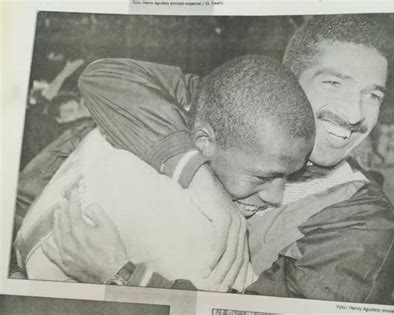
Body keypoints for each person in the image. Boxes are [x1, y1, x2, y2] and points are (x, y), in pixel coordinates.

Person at [16, 15, 394, 304]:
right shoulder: (232, 104)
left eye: (374, 95)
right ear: (287, 79)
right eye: (333, 82)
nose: (355, 114)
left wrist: (122, 277)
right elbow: (106, 76)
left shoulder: (361, 219)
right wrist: (203, 182)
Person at [14, 55, 315, 292]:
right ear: (203, 143)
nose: (277, 196)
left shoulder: (125, 128)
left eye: (289, 177)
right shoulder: (210, 240)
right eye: (263, 177)